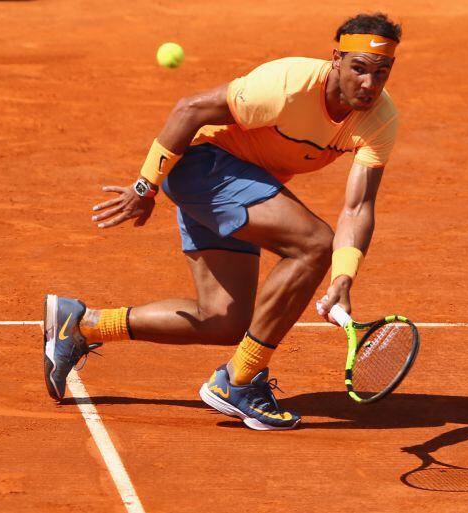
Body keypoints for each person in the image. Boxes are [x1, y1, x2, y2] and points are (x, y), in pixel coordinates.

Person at [43, 12, 401, 431]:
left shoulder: (380, 120)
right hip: (203, 166)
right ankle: (241, 381)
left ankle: (82, 324)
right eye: (359, 68)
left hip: (247, 183)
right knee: (313, 243)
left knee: (223, 319)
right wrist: (144, 188)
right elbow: (190, 108)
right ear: (336, 58)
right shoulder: (286, 85)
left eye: (381, 73)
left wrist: (344, 277)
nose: (369, 85)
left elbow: (358, 208)